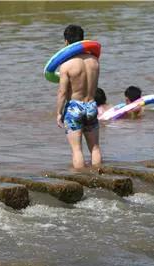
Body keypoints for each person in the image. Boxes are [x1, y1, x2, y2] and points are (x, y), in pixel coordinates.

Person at [55, 24, 102, 169]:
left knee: (77, 150)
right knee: (95, 148)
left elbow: (62, 92)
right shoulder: (94, 61)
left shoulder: (66, 65)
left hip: (75, 107)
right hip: (91, 105)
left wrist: (58, 113)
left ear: (66, 42)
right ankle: (100, 174)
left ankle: (81, 178)